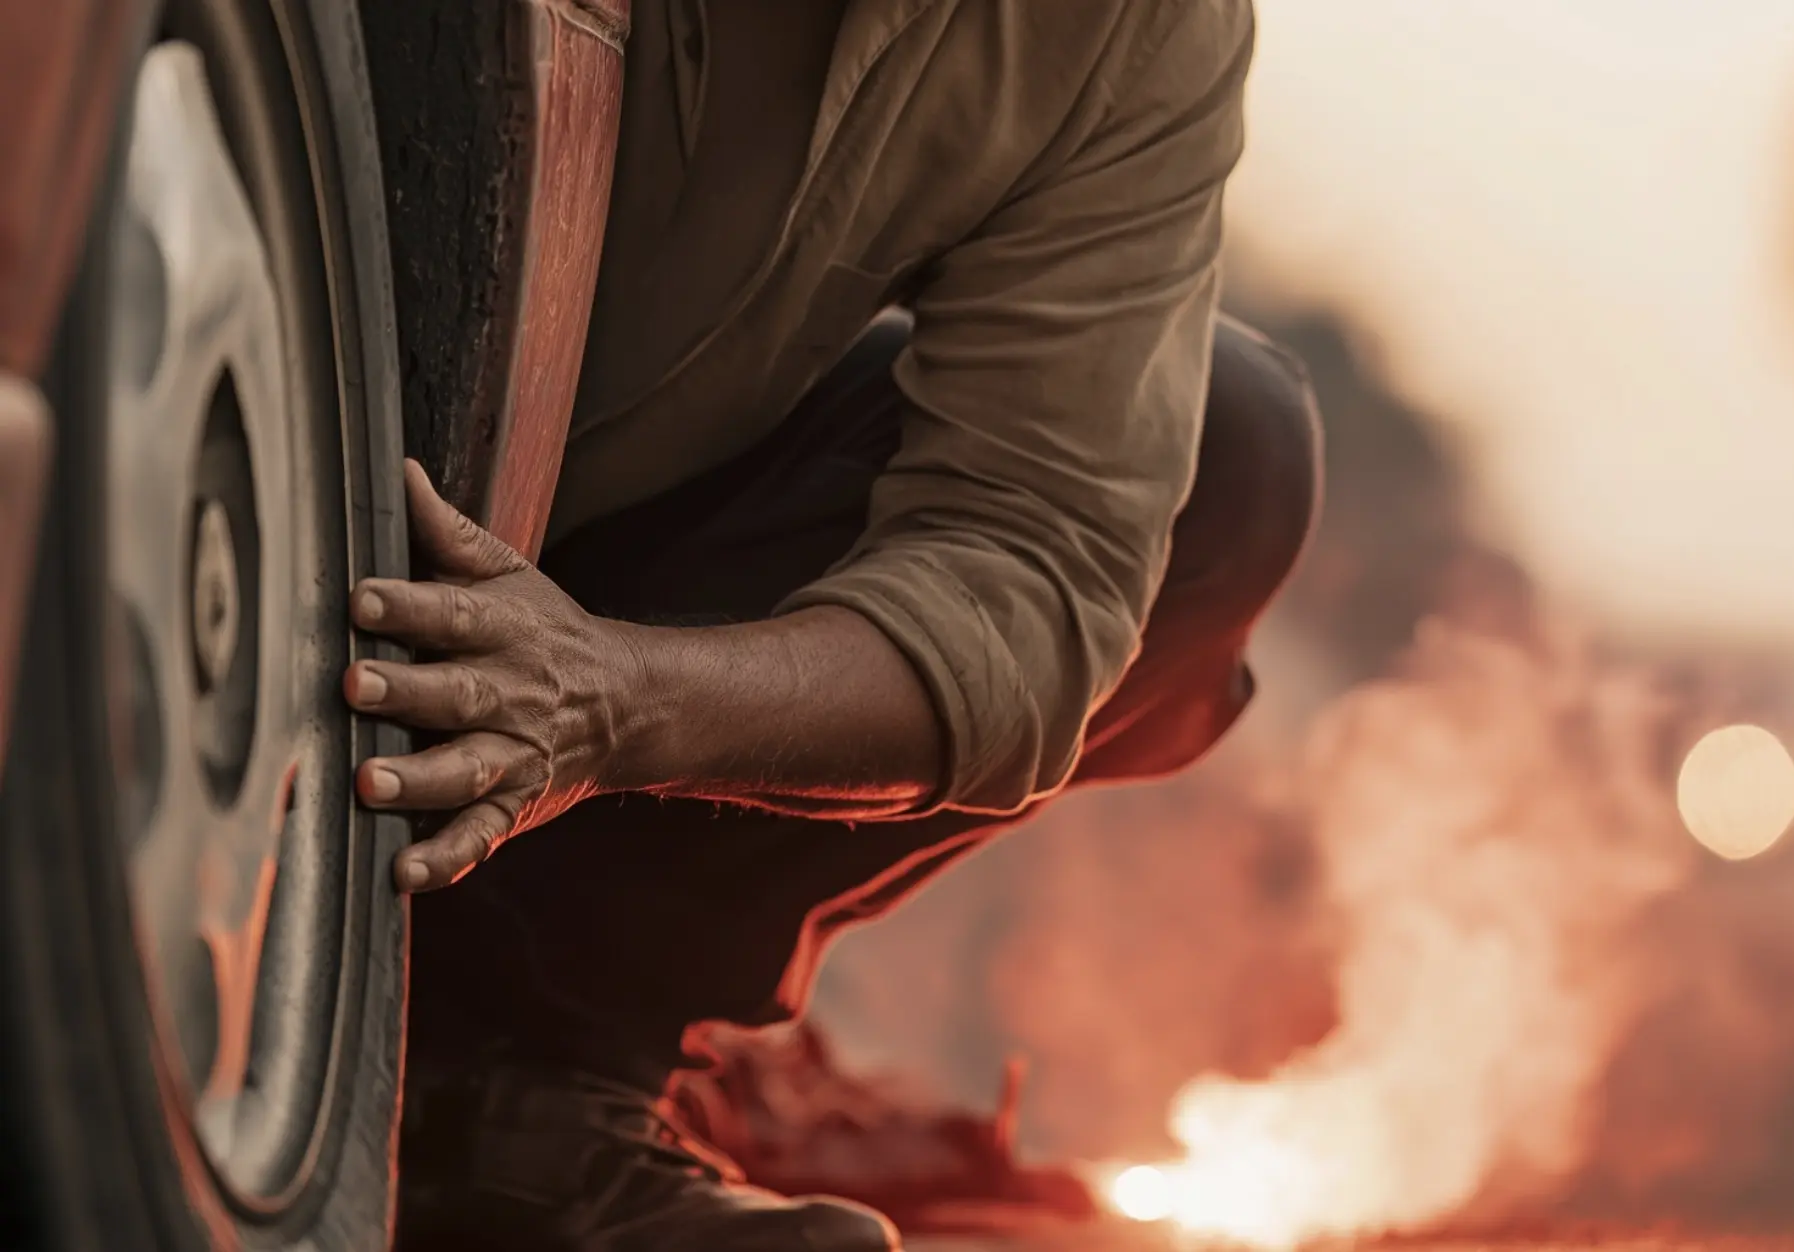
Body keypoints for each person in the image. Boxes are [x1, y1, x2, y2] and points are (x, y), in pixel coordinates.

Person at [362, 2, 1320, 1248]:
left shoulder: (1137, 28)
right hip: (240, 358)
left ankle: (508, 1087)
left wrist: (612, 697)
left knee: (1227, 464)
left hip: (555, 592)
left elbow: (1035, 565)